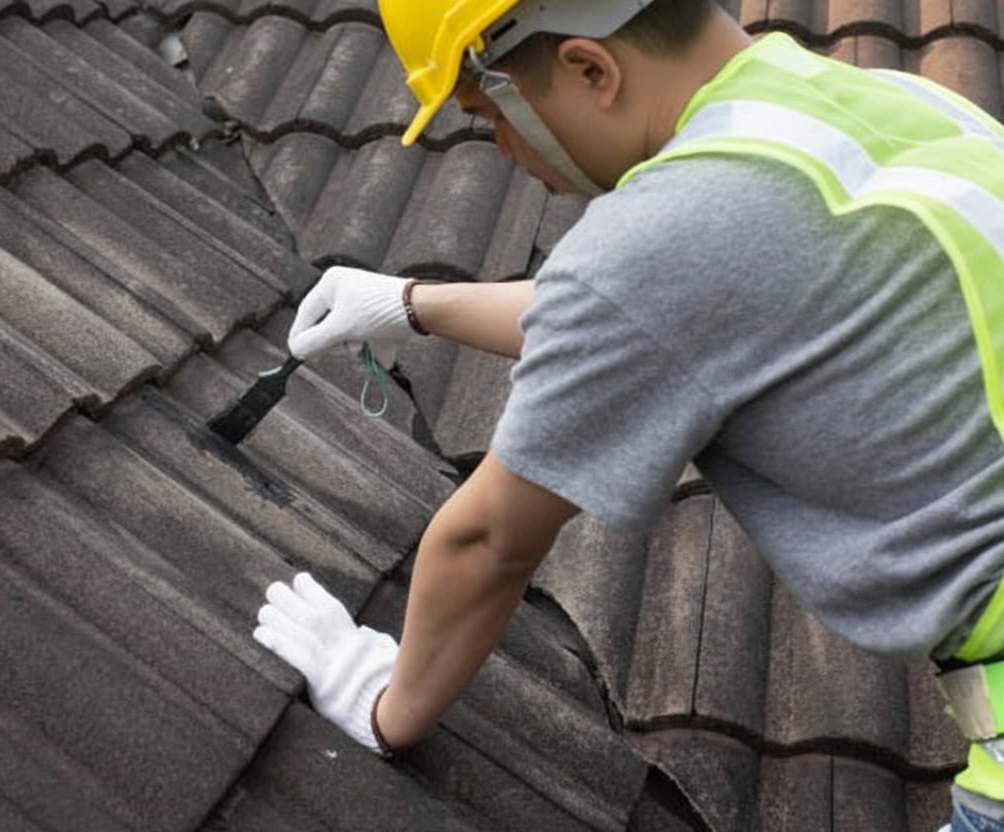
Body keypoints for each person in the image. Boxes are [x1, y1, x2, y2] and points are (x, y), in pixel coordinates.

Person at [250, 0, 1004, 827]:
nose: (500, 148)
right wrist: (412, 304)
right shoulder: (878, 101)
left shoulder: (660, 242)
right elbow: (660, 309)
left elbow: (489, 541)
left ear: (588, 70)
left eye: (489, 112)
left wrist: (380, 704)